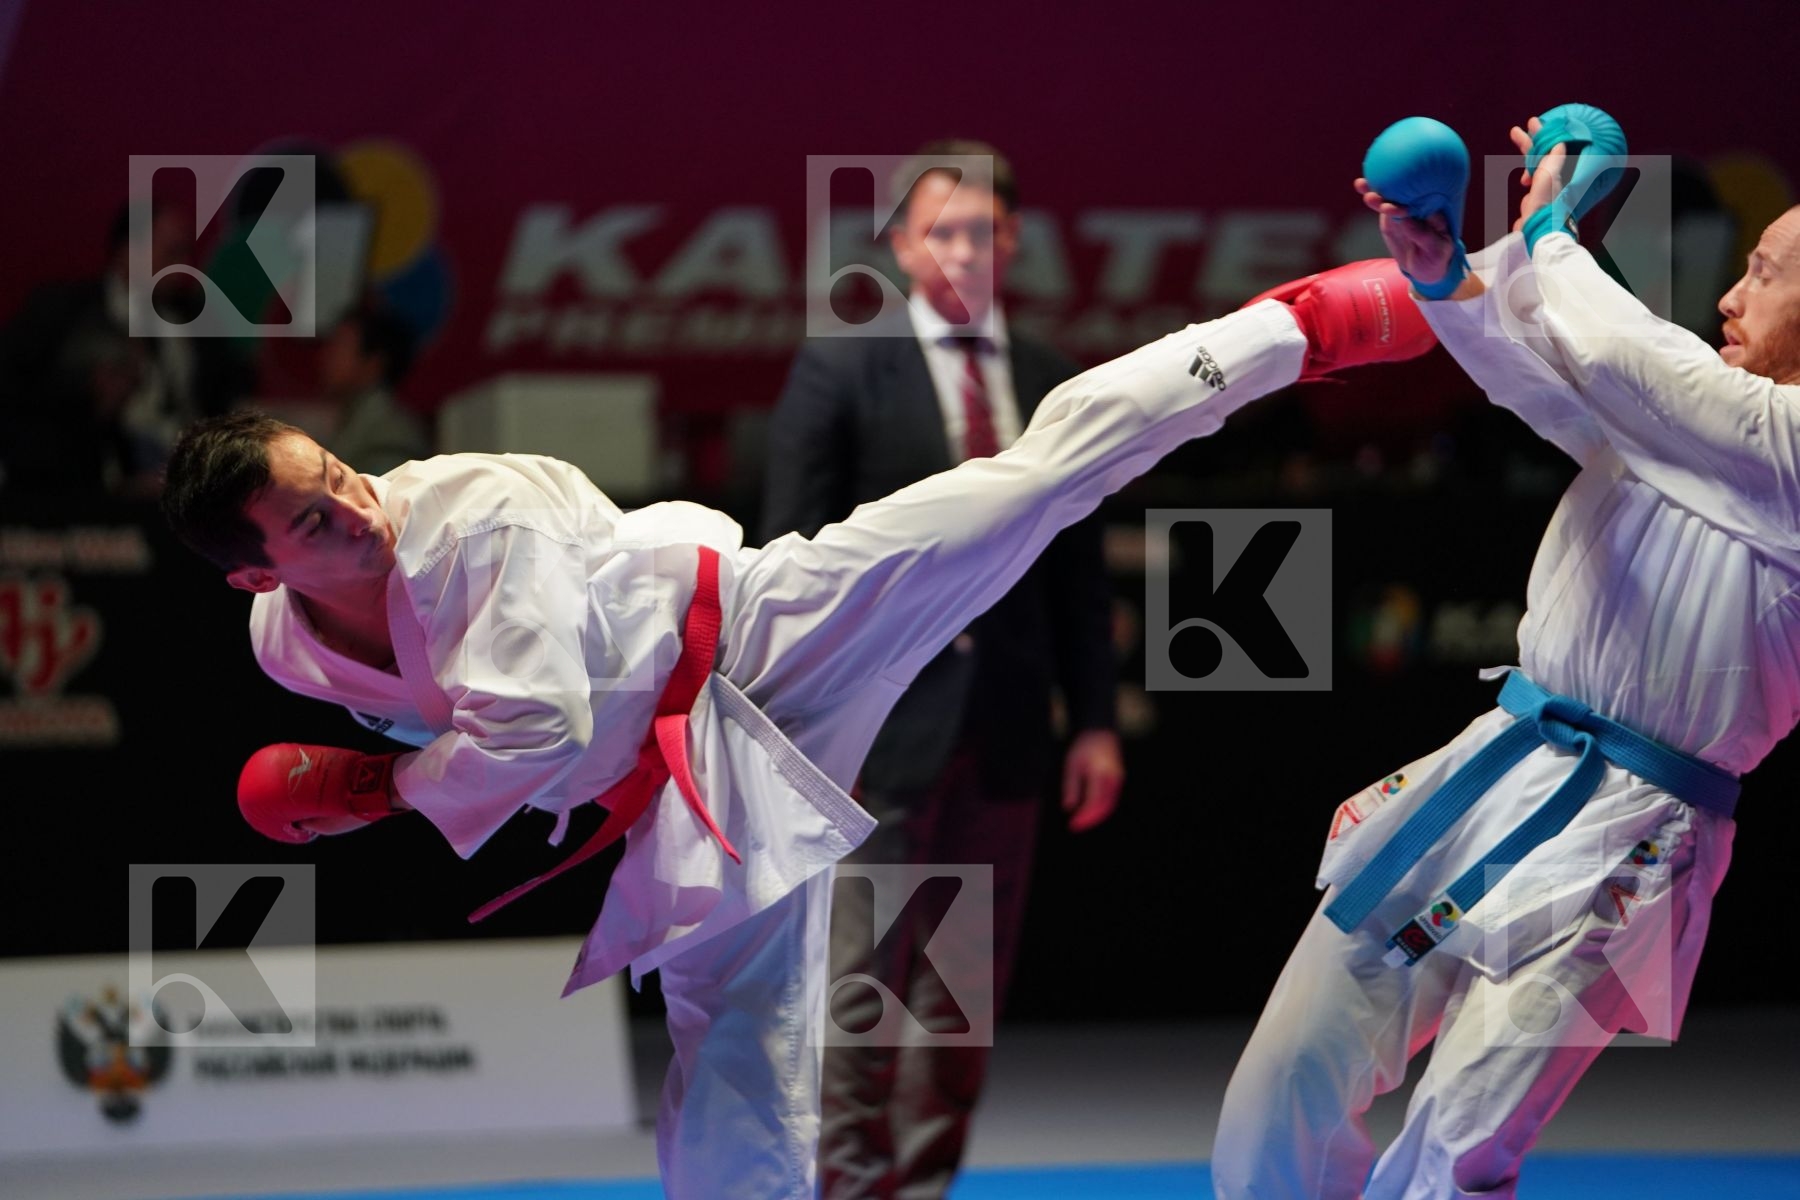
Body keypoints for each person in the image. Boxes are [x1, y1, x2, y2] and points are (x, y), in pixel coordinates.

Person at [161, 245, 1430, 1198]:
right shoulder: (290, 649)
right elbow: (517, 742)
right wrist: (397, 775)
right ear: (256, 576)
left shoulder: (467, 516)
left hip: (768, 632)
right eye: (314, 522)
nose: (357, 509)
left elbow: (538, 734)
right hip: (685, 789)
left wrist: (379, 794)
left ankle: (1289, 331)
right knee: (733, 1048)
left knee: (1027, 487)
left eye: (336, 474)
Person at [1212, 111, 1800, 1199]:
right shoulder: (1688, 420)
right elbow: (1547, 379)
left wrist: (1555, 225)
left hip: (1633, 842)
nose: (1729, 294)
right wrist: (1447, 284)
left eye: (1762, 273)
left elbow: (1625, 352)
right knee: (1279, 1088)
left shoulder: (1777, 440)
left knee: (1458, 1148)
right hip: (1498, 770)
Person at [760, 140, 1123, 1200]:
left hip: (1005, 733)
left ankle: (921, 1190)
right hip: (873, 734)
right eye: (942, 229)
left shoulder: (1052, 378)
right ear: (907, 247)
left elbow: (1080, 575)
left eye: (985, 229)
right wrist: (798, 721)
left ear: (1011, 241)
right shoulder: (841, 363)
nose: (965, 248)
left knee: (954, 1006)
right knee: (862, 994)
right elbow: (790, 557)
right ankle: (847, 1190)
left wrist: (1093, 721)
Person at [316, 300, 432, 477]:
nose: (326, 356)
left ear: (373, 363)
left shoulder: (391, 435)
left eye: (339, 346)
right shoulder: (358, 418)